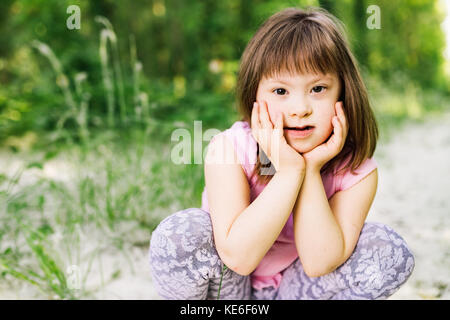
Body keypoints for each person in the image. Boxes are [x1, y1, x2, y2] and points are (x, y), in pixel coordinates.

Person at [148, 6, 415, 300]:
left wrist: (310, 170)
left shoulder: (356, 170)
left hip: (300, 289)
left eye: (318, 88)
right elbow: (238, 257)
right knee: (181, 233)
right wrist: (288, 171)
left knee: (387, 251)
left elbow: (318, 263)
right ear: (255, 96)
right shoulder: (230, 149)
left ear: (343, 92)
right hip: (230, 289)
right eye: (280, 91)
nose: (300, 109)